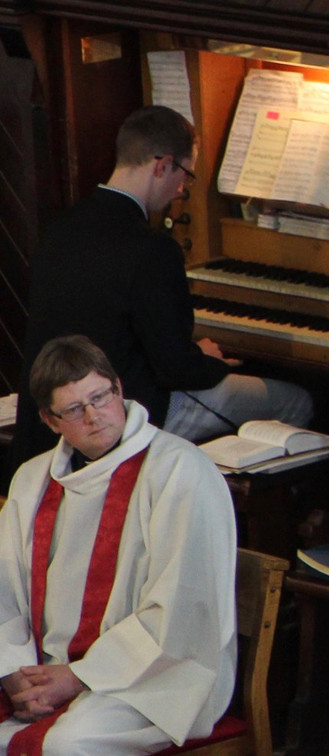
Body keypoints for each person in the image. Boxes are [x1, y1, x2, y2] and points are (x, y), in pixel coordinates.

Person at [8, 104, 312, 475]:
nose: (182, 189)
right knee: (295, 401)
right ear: (161, 165)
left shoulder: (60, 228)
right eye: (185, 175)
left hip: (51, 415)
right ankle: (263, 524)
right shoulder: (152, 248)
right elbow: (174, 369)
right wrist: (209, 358)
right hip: (125, 413)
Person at [0, 334, 236, 752]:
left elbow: (183, 611)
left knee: (68, 746)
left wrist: (79, 677)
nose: (95, 416)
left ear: (119, 389)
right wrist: (15, 673)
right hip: (43, 669)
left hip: (153, 679)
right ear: (50, 420)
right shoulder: (33, 481)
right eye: (74, 409)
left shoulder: (180, 473)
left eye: (101, 397)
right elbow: (4, 592)